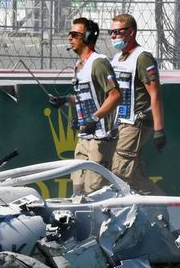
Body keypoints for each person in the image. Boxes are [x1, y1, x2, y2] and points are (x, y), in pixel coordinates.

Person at [108, 13, 166, 195]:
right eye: (111, 32)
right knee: (135, 178)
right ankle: (165, 207)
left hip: (137, 122)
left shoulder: (143, 58)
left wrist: (159, 130)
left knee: (118, 174)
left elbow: (155, 94)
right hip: (121, 123)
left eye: (117, 32)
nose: (112, 36)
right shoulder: (117, 58)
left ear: (130, 32)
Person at [63, 17, 121, 195]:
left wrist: (94, 118)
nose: (69, 38)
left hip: (100, 138)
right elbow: (88, 96)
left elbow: (115, 95)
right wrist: (65, 99)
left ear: (87, 36)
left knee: (93, 191)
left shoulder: (98, 63)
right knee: (77, 189)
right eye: (69, 34)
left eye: (74, 34)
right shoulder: (80, 64)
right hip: (84, 137)